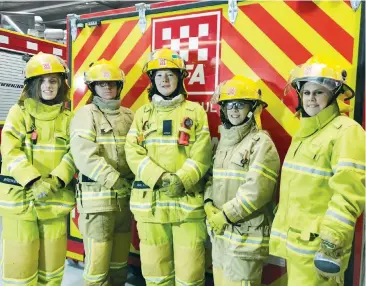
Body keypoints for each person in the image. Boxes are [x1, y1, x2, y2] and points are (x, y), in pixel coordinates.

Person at [270, 56, 365, 286]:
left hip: (320, 250)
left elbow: (349, 192)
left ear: (332, 96)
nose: (311, 99)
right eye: (307, 92)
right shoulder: (304, 132)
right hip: (297, 247)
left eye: (319, 92)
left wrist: (332, 242)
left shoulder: (346, 131)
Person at [124, 48, 212, 286]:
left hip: (187, 205)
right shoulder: (142, 114)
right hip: (150, 208)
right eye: (159, 75)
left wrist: (181, 179)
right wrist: (160, 177)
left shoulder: (195, 112)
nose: (165, 80)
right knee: (155, 274)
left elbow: (202, 153)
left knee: (190, 274)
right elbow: (132, 151)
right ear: (152, 81)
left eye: (170, 75)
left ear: (180, 79)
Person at [0, 52, 76, 285]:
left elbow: (75, 154)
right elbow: (10, 150)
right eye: (41, 80)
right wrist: (33, 181)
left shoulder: (68, 118)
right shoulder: (19, 112)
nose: (48, 86)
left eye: (53, 80)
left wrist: (56, 180)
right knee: (21, 269)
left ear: (61, 85)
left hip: (54, 202)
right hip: (21, 203)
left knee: (51, 271)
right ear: (32, 84)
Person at [204, 76, 280, 286]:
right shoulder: (224, 143)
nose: (234, 110)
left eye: (240, 105)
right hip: (221, 237)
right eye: (229, 105)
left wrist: (225, 216)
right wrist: (208, 203)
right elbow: (212, 177)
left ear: (253, 109)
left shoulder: (262, 143)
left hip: (245, 239)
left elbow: (256, 192)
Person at [70, 59, 134, 285]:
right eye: (101, 84)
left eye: (112, 84)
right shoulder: (86, 114)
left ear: (119, 86)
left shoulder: (129, 116)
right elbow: (84, 156)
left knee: (119, 266)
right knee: (97, 268)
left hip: (123, 203)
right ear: (92, 87)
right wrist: (114, 179)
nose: (107, 88)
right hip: (97, 204)